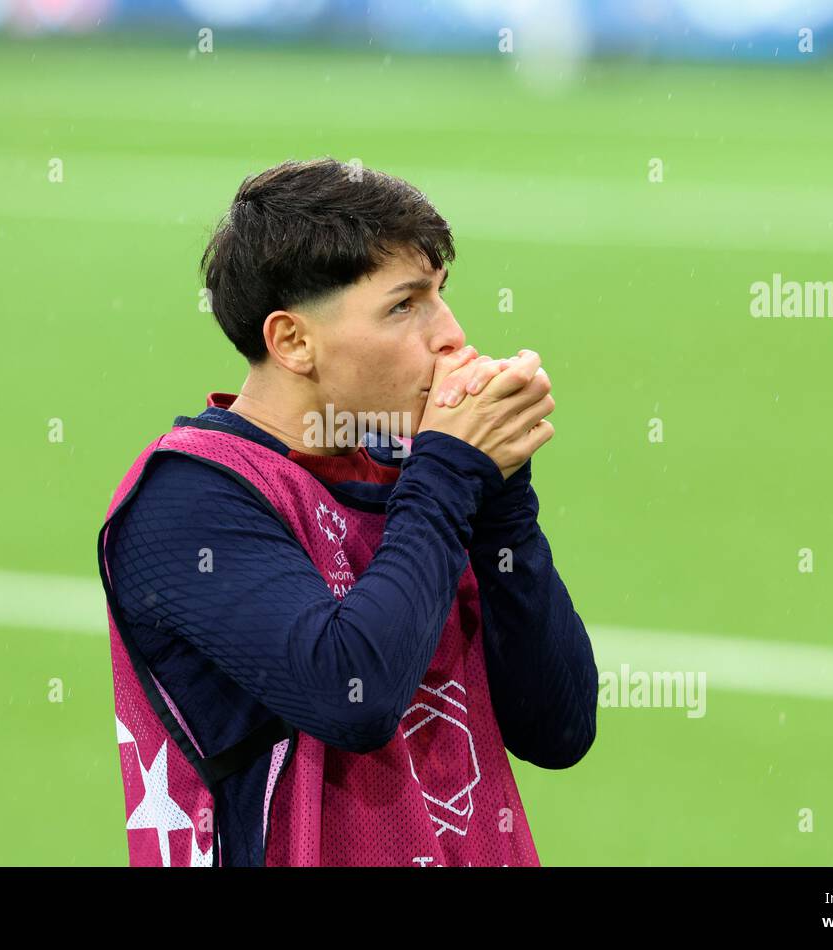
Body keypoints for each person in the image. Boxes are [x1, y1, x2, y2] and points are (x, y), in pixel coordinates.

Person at [97, 157, 598, 867]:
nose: (451, 335)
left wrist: (505, 499)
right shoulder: (189, 500)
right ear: (293, 341)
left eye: (441, 293)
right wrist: (452, 471)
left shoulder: (414, 472)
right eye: (404, 305)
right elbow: (351, 694)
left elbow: (559, 727)